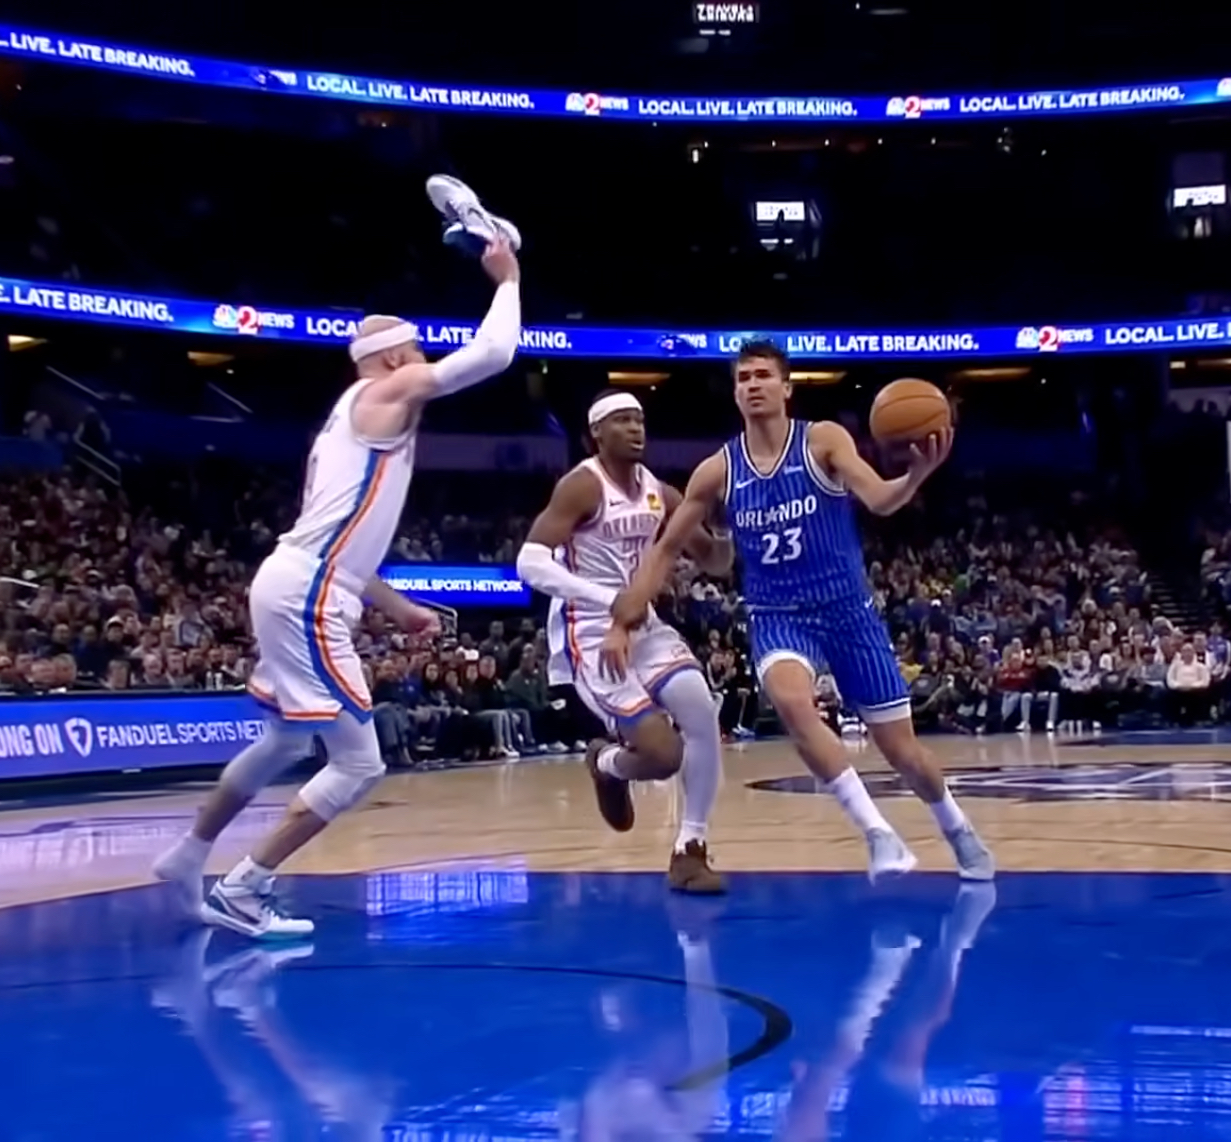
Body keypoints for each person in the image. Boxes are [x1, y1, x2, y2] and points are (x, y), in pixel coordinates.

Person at [153, 234, 522, 938]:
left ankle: (188, 852)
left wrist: (399, 606)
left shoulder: (342, 428)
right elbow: (494, 355)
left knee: (287, 742)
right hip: (308, 593)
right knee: (359, 762)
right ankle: (246, 884)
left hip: (297, 579)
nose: (423, 370)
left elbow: (345, 550)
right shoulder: (389, 387)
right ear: (390, 361)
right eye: (415, 357)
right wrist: (507, 278)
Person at [608, 339, 994, 881]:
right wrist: (624, 619)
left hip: (847, 611)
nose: (753, 385)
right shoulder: (717, 471)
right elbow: (666, 549)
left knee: (904, 752)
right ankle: (878, 834)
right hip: (778, 615)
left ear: (787, 387)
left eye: (763, 375)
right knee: (792, 702)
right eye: (743, 378)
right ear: (736, 394)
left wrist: (916, 475)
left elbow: (881, 500)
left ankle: (958, 829)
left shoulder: (823, 441)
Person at [517, 391, 734, 894]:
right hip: (589, 633)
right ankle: (607, 764)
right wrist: (608, 599)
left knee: (701, 711)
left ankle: (690, 850)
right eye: (622, 420)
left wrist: (725, 530)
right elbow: (530, 563)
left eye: (639, 419)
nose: (636, 428)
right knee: (663, 756)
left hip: (643, 626)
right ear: (597, 433)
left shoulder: (662, 492)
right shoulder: (581, 485)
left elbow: (715, 560)